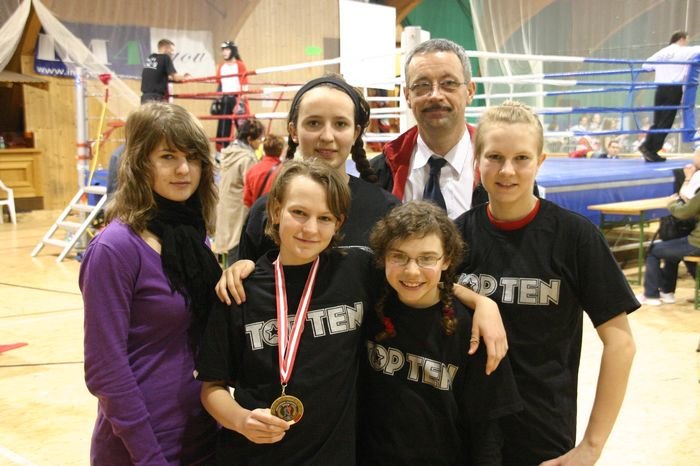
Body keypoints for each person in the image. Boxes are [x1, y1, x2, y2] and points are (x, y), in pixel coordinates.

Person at [216, 74, 508, 371]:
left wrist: (479, 302)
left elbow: (417, 276)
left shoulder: (384, 209)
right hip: (283, 370)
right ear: (293, 130)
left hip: (369, 377)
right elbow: (248, 287)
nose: (327, 136)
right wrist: (237, 270)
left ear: (356, 132)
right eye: (313, 123)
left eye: (340, 124)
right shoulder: (268, 212)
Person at [455, 101, 638, 465]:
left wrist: (592, 446)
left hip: (542, 429)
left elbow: (621, 343)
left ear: (540, 161)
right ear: (477, 161)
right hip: (467, 425)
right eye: (495, 157)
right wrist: (479, 300)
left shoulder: (575, 237)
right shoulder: (459, 233)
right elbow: (432, 288)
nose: (507, 170)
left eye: (521, 158)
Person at [197, 159, 379, 465]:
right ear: (275, 210)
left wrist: (469, 298)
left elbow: (416, 280)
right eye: (299, 213)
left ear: (339, 223)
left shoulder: (357, 271)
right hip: (253, 456)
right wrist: (241, 420)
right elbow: (211, 387)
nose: (310, 228)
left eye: (325, 218)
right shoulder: (240, 289)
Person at [79, 103, 220, 464]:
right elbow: (104, 369)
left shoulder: (193, 237)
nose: (184, 169)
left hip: (203, 434)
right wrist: (149, 457)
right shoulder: (115, 248)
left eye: (193, 157)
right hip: (142, 447)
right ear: (141, 163)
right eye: (168, 156)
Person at [359, 201, 523, 465]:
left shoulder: (472, 331)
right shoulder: (369, 308)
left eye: (426, 258)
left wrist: (483, 302)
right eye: (399, 256)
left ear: (446, 260)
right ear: (383, 257)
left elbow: (487, 431)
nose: (412, 271)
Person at [370, 38, 477, 219]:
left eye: (448, 83)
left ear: (470, 91)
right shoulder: (379, 173)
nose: (435, 95)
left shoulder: (500, 168)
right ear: (407, 96)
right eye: (422, 85)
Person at [639, 31, 700, 163]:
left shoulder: (662, 52)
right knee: (666, 121)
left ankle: (648, 146)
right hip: (673, 88)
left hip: (660, 89)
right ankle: (651, 149)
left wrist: (663, 68)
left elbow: (646, 66)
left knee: (658, 120)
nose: (687, 43)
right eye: (686, 40)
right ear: (681, 39)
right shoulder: (684, 51)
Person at [214, 119, 264, 265]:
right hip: (239, 209)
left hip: (226, 207)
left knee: (230, 248)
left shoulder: (229, 153)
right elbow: (252, 186)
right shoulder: (246, 158)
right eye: (259, 138)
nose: (260, 142)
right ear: (249, 139)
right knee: (238, 250)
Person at [639, 189, 700, 306]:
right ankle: (667, 292)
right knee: (672, 250)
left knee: (653, 250)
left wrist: (672, 203)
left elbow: (683, 213)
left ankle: (651, 295)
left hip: (696, 243)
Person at [215, 41, 249, 150]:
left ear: (233, 51)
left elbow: (244, 82)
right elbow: (220, 83)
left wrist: (242, 99)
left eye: (227, 49)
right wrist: (218, 98)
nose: (224, 52)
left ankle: (246, 149)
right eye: (223, 50)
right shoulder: (221, 66)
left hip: (237, 98)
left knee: (242, 126)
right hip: (225, 99)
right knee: (224, 126)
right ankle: (223, 151)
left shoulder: (239, 65)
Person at [140, 39, 189, 104]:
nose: (172, 53)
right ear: (165, 48)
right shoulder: (165, 57)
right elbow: (175, 77)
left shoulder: (151, 57)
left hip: (145, 97)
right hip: (155, 98)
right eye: (171, 50)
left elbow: (156, 75)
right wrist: (186, 76)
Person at [243, 133, 284, 208]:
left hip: (257, 212)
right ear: (281, 151)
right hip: (276, 211)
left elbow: (247, 200)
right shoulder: (284, 171)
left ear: (264, 149)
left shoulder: (252, 170)